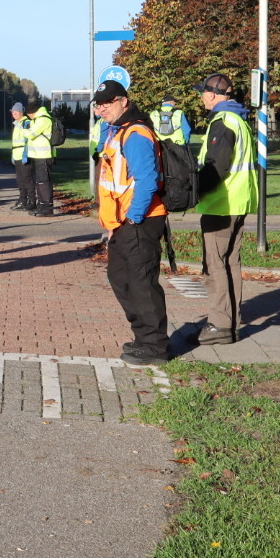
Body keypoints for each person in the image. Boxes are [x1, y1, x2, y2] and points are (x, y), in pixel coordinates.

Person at [92, 80, 169, 364]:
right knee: (120, 278)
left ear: (124, 101)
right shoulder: (117, 132)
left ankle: (155, 346)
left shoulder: (135, 134)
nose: (102, 110)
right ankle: (143, 337)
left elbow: (147, 181)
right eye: (99, 106)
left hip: (141, 219)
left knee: (142, 283)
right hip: (122, 223)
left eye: (107, 104)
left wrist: (134, 218)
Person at [192, 74, 258, 345]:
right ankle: (230, 323)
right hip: (238, 202)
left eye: (202, 93)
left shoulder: (222, 122)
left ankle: (219, 325)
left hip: (222, 204)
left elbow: (216, 167)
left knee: (215, 265)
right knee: (230, 263)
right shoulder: (238, 120)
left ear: (212, 95)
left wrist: (192, 191)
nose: (200, 97)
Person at [23, 102, 56, 217]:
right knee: (40, 182)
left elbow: (31, 134)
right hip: (38, 155)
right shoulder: (37, 119)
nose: (29, 117)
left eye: (29, 115)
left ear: (32, 113)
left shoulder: (43, 119)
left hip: (44, 155)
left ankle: (47, 207)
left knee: (44, 182)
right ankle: (41, 206)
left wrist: (22, 129)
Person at [9, 102, 33, 211]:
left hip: (24, 156)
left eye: (16, 112)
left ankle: (31, 201)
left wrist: (26, 154)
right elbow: (15, 142)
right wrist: (13, 155)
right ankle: (22, 200)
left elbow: (28, 140)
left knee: (27, 180)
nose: (14, 113)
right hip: (17, 156)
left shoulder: (26, 123)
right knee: (20, 180)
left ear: (21, 112)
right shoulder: (16, 124)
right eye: (13, 112)